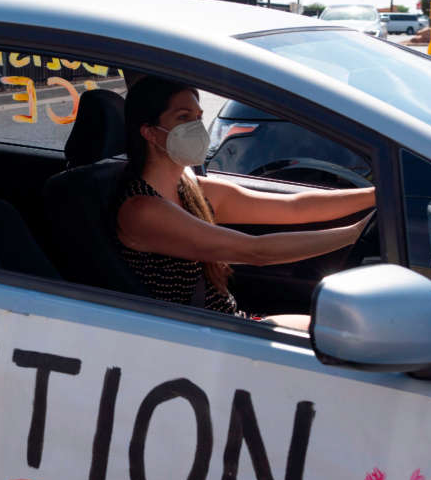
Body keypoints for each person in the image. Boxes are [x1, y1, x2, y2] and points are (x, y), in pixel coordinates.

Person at [115, 76, 376, 331]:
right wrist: (355, 233)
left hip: (223, 320)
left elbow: (294, 207)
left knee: (341, 328)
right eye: (183, 117)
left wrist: (377, 195)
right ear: (149, 132)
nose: (196, 127)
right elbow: (256, 251)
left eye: (198, 117)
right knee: (337, 336)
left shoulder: (188, 185)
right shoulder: (142, 209)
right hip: (192, 336)